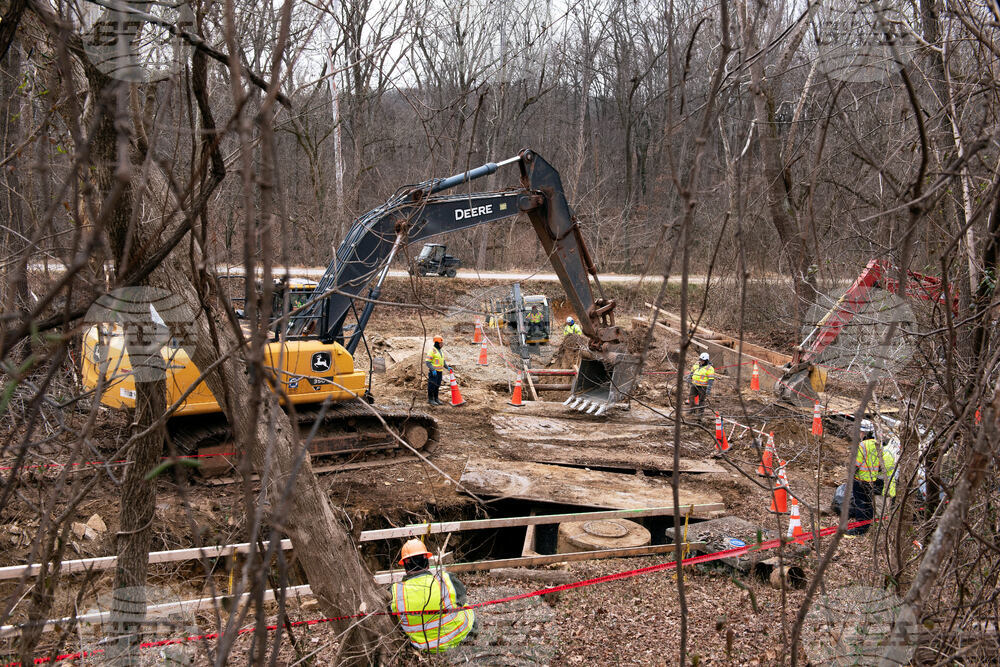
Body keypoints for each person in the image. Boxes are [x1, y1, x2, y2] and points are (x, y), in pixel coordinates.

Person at [390, 539, 476, 653]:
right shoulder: (445, 579)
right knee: (466, 607)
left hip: (423, 646)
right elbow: (462, 599)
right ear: (426, 561)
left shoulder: (395, 590)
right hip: (456, 637)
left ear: (405, 565)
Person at [847, 420, 886, 537]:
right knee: (869, 504)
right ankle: (867, 526)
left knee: (860, 504)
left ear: (864, 432)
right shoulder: (878, 444)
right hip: (872, 480)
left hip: (860, 480)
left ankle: (859, 529)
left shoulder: (862, 445)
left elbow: (856, 464)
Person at [425, 336, 449, 406]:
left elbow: (443, 361)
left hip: (439, 372)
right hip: (434, 372)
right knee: (432, 385)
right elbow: (428, 362)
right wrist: (433, 369)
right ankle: (430, 399)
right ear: (436, 343)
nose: (442, 344)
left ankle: (436, 398)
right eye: (441, 343)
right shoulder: (432, 351)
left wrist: (447, 367)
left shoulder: (440, 351)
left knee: (437, 385)